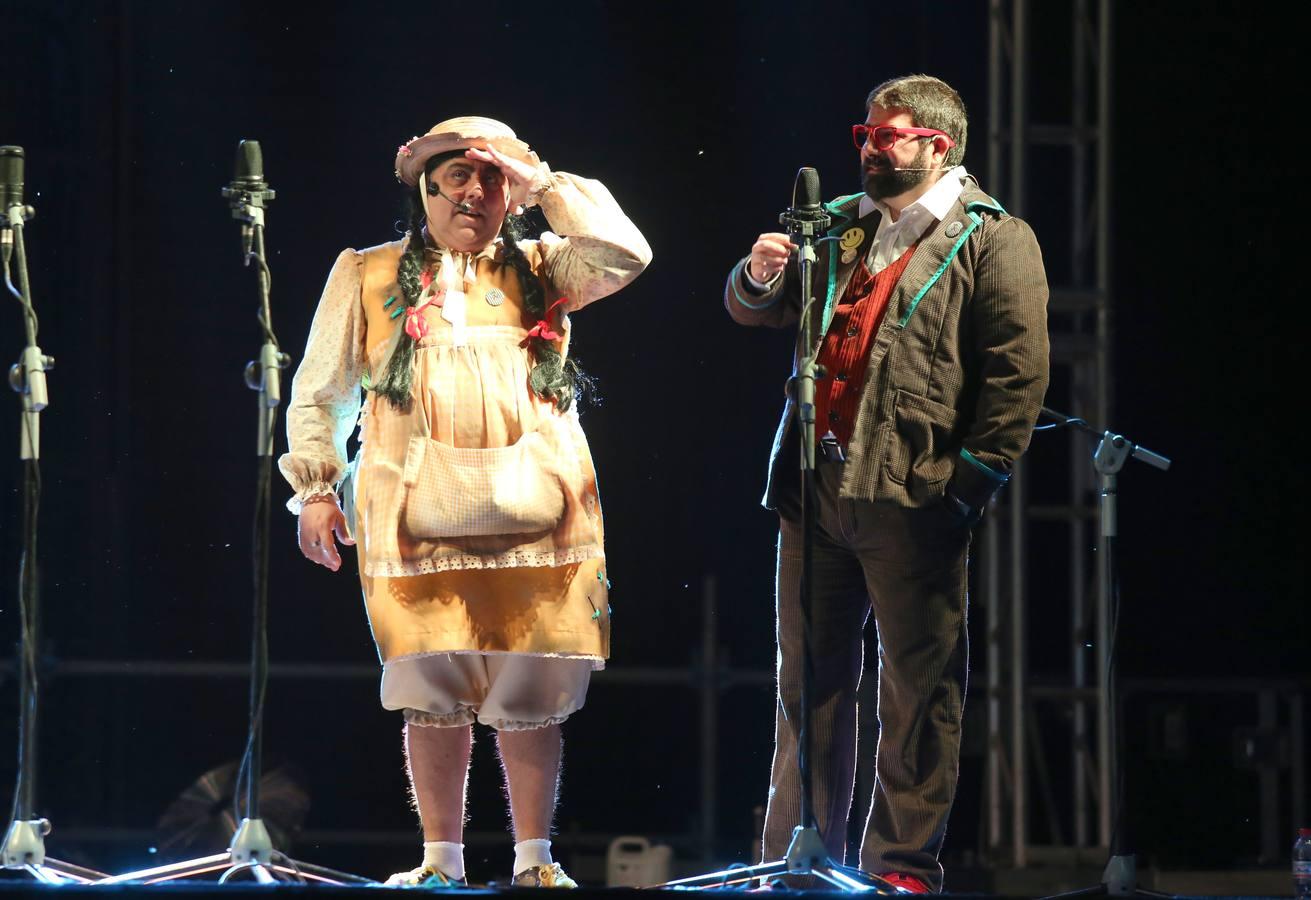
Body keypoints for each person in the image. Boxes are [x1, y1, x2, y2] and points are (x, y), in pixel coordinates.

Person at [279, 116, 650, 887]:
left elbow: (627, 253)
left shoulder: (547, 265)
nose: (473, 192)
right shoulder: (368, 272)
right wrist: (315, 490)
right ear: (425, 188)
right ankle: (439, 862)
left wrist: (540, 180)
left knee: (532, 687)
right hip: (413, 510)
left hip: (537, 509)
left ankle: (533, 862)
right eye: (456, 176)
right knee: (430, 688)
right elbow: (320, 390)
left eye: (489, 179)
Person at [723, 75, 1049, 893]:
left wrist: (965, 489)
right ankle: (800, 859)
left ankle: (901, 867)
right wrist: (759, 277)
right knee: (807, 689)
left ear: (936, 145)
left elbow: (1016, 378)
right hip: (813, 490)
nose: (868, 146)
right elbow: (756, 311)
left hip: (913, 494)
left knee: (916, 691)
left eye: (886, 135)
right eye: (862, 133)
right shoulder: (835, 224)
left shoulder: (991, 238)